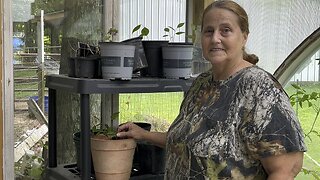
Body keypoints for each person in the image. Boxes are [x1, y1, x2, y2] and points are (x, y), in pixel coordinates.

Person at [117, 0, 307, 179]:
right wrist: (144, 135)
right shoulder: (202, 83)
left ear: (244, 37)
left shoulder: (259, 89)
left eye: (225, 30)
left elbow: (285, 169)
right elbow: (186, 141)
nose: (215, 38)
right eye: (209, 31)